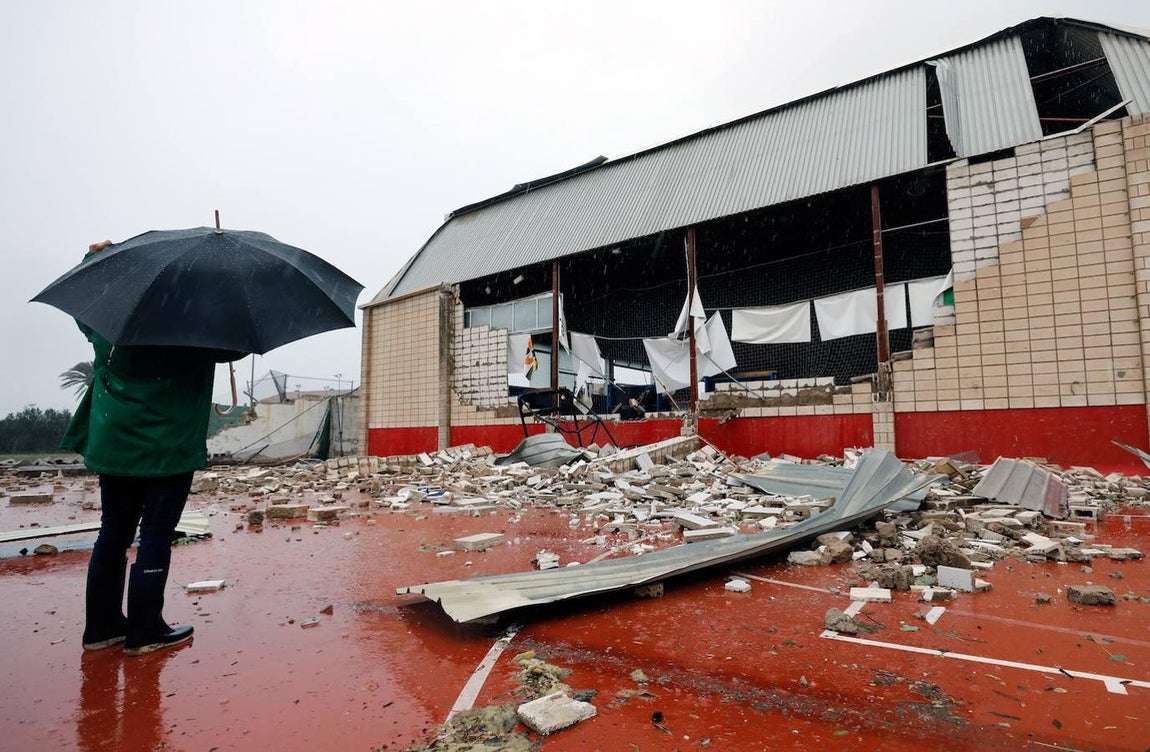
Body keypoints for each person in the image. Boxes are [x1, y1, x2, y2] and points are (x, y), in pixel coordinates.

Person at [64, 240, 242, 655]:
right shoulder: (196, 327)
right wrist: (226, 295)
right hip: (169, 447)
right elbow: (236, 345)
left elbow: (87, 303)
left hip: (115, 443)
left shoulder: (110, 325)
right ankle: (145, 629)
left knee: (112, 532)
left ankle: (101, 627)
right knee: (155, 535)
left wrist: (93, 258)